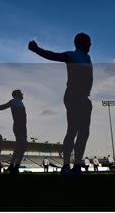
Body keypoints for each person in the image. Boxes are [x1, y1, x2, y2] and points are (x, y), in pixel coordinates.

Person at [28, 34, 93, 177]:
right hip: (73, 96)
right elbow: (53, 56)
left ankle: (76, 166)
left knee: (84, 132)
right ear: (82, 43)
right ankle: (66, 166)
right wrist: (37, 50)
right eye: (89, 43)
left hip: (84, 98)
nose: (90, 45)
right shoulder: (71, 55)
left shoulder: (87, 58)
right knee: (73, 130)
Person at [0, 89, 27, 174]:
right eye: (21, 94)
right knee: (20, 147)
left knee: (22, 147)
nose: (23, 95)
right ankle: (13, 166)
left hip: (22, 127)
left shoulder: (20, 102)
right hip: (19, 127)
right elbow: (3, 107)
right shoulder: (14, 101)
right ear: (17, 95)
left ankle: (14, 167)